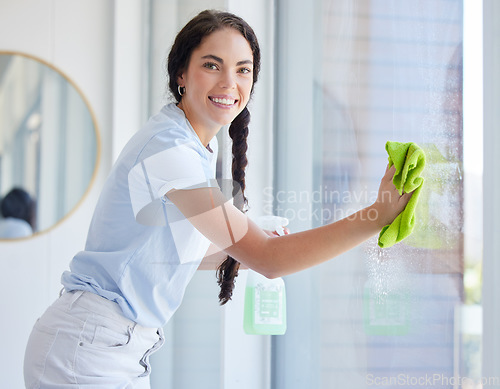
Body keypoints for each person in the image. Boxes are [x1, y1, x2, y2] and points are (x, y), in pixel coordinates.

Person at [23, 9, 412, 389]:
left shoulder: (189, 148)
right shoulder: (169, 151)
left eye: (243, 69)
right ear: (181, 74)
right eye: (212, 65)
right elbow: (268, 260)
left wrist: (242, 243)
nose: (230, 82)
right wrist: (376, 216)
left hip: (109, 346)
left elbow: (164, 257)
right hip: (89, 351)